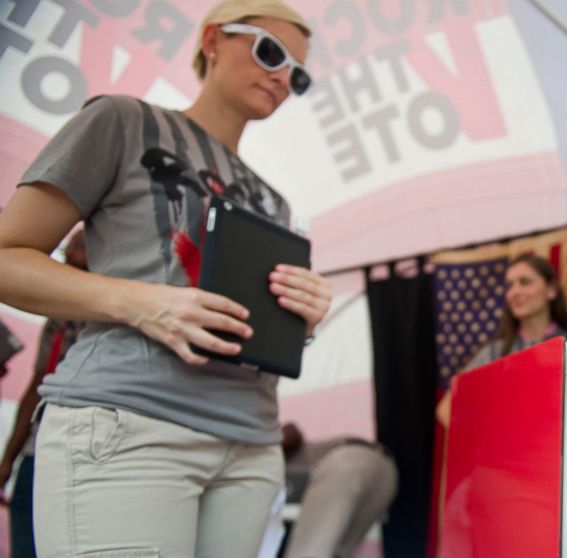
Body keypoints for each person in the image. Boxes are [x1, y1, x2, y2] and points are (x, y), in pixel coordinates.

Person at [0, 0, 332, 555]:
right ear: (211, 42)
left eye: (297, 74)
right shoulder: (124, 122)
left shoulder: (275, 202)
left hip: (250, 446)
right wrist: (141, 303)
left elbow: (253, 328)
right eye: (268, 51)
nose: (281, 77)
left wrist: (305, 317)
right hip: (132, 422)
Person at [0, 228, 86, 558]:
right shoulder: (58, 320)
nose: (68, 251)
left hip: (80, 457)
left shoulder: (109, 323)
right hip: (38, 453)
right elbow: (35, 388)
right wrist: (9, 458)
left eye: (80, 245)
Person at [435, 252, 567, 428]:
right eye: (509, 286)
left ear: (551, 289)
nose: (515, 292)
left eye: (525, 282)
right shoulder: (496, 352)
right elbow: (446, 408)